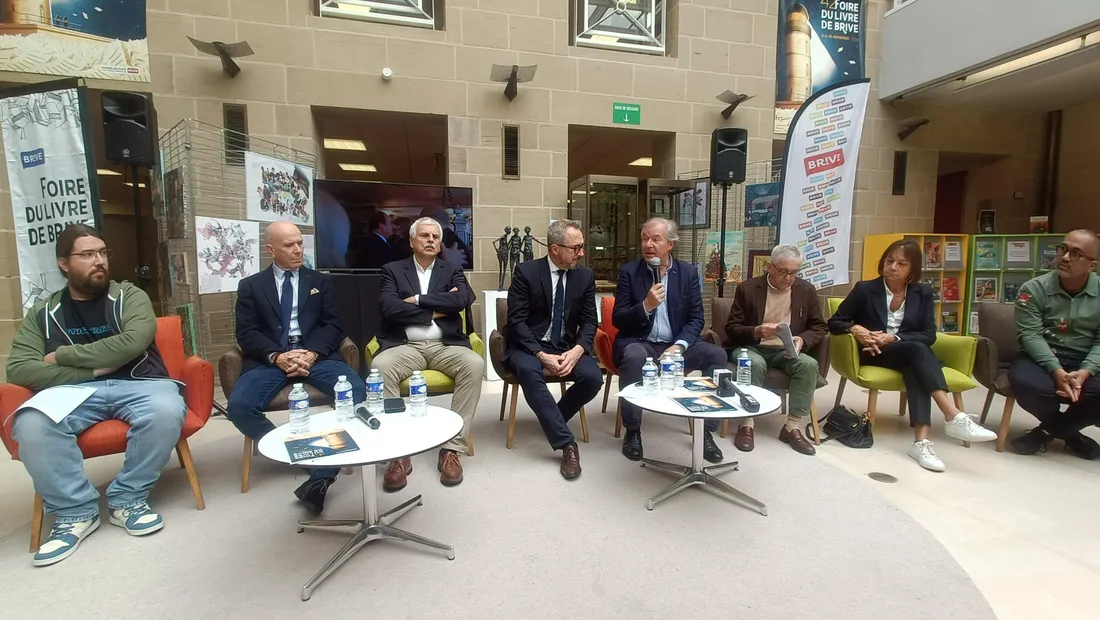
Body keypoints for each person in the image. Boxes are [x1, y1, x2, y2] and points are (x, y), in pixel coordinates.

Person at [6, 225, 186, 566]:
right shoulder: (43, 314)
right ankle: (75, 512)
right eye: (87, 255)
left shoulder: (129, 296)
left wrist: (61, 356)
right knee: (30, 423)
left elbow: (132, 342)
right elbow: (19, 368)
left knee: (166, 409)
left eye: (102, 253)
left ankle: (128, 498)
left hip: (140, 383)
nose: (99, 261)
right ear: (63, 263)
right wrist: (88, 372)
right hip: (73, 390)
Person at [227, 221, 366, 514]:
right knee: (240, 407)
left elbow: (333, 325)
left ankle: (322, 476)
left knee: (356, 391)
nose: (298, 250)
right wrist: (277, 356)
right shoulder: (251, 286)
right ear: (271, 250)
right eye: (290, 245)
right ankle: (301, 455)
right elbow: (247, 333)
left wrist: (312, 353)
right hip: (271, 360)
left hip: (317, 356)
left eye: (300, 243)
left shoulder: (320, 282)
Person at [828, 239, 996, 472]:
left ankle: (921, 441)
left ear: (912, 270)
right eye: (889, 261)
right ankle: (953, 415)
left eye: (901, 263)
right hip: (873, 353)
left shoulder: (923, 292)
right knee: (918, 352)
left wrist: (894, 338)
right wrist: (858, 330)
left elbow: (929, 334)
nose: (893, 267)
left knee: (914, 362)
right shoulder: (865, 289)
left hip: (905, 352)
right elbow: (835, 321)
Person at [373, 217, 485, 490]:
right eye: (424, 235)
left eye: (435, 236)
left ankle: (451, 449)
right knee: (379, 366)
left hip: (444, 345)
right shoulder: (392, 270)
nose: (431, 240)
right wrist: (434, 311)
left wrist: (418, 300)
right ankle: (399, 453)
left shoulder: (452, 270)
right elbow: (390, 308)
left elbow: (461, 300)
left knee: (474, 364)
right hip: (405, 345)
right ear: (412, 241)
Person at [613, 218, 728, 463]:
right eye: (644, 238)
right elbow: (618, 319)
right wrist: (646, 306)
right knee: (634, 357)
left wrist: (679, 346)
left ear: (670, 245)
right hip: (642, 341)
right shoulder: (629, 273)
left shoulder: (687, 273)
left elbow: (696, 319)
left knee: (717, 355)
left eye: (656, 239)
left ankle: (705, 431)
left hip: (676, 344)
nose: (648, 244)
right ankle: (632, 430)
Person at [504, 219, 602, 480]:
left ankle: (553, 417)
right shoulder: (526, 272)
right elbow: (516, 321)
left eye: (582, 247)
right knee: (528, 372)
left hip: (567, 345)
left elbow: (590, 321)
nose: (581, 253)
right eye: (576, 247)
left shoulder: (585, 276)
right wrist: (540, 354)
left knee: (593, 378)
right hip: (529, 345)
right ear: (555, 248)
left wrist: (579, 349)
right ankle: (566, 444)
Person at [724, 244, 827, 455]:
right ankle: (747, 422)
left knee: (808, 365)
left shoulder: (806, 290)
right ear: (769, 267)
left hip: (786, 351)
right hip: (753, 348)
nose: (789, 278)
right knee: (752, 363)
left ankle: (792, 427)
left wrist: (802, 340)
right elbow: (731, 328)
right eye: (783, 271)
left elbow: (819, 326)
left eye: (794, 272)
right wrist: (756, 331)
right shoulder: (748, 288)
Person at [1008, 230, 1100, 458]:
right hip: (1042, 358)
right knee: (1027, 384)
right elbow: (1030, 336)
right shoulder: (1033, 289)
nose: (1065, 257)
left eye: (1076, 253)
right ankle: (1070, 433)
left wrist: (1086, 371)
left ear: (1092, 265)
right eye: (1063, 249)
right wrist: (1056, 370)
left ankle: (1045, 432)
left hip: (1086, 359)